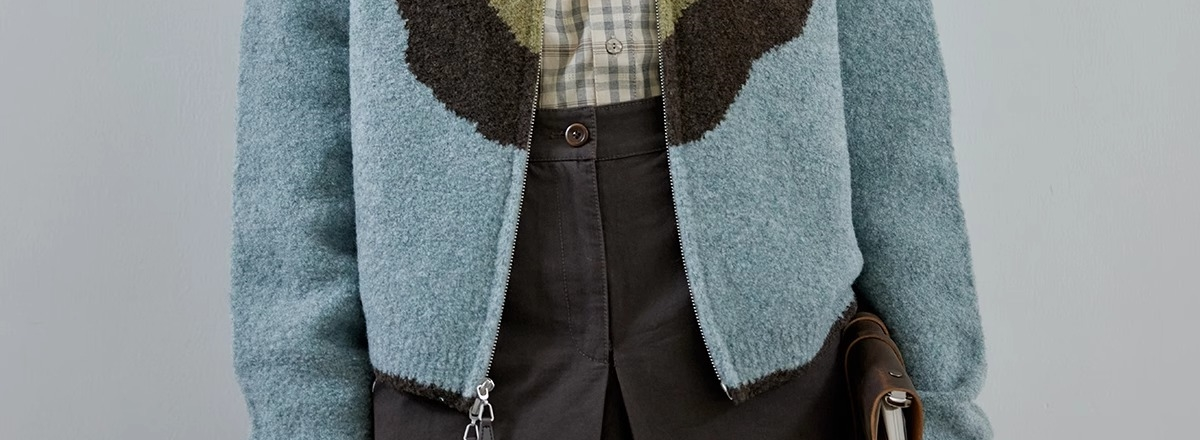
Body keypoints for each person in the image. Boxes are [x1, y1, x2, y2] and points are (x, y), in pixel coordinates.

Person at [229, 0, 993, 439]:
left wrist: (944, 408)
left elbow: (896, 128)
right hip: (458, 376)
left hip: (777, 373)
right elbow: (294, 151)